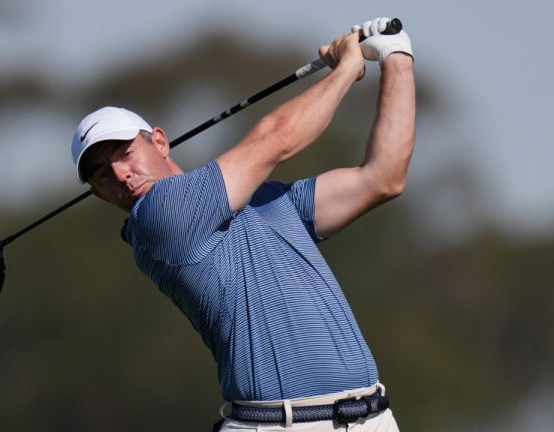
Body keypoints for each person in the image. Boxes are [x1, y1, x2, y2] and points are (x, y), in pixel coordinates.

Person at [70, 17, 415, 432]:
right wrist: (346, 69)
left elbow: (383, 178)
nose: (121, 175)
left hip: (372, 418)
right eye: (103, 174)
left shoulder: (265, 202)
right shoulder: (160, 217)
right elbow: (275, 139)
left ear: (159, 141)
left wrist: (397, 58)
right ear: (98, 194)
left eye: (124, 153)